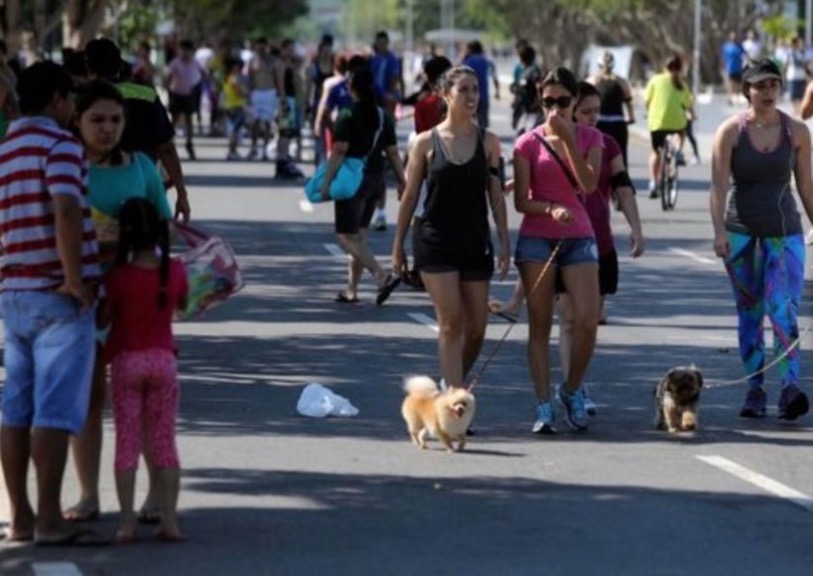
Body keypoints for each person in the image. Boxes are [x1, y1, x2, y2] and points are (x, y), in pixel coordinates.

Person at [61, 79, 175, 527]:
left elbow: (163, 229)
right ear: (77, 121)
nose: (107, 128)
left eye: (115, 120)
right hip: (81, 298)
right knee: (88, 399)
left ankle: (154, 496)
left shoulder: (142, 166)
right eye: (97, 120)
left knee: (144, 403)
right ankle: (88, 494)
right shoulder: (65, 165)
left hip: (135, 301)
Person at [0, 61, 103, 545]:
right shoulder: (60, 146)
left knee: (15, 408)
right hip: (55, 294)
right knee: (54, 411)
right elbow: (65, 207)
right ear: (59, 99)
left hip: (14, 291)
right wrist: (74, 277)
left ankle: (19, 518)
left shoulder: (5, 149)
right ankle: (47, 519)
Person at [392, 65, 510, 390]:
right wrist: (398, 244)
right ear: (445, 95)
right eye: (464, 90)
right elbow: (410, 195)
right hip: (435, 240)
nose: (472, 96)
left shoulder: (489, 142)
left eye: (475, 89)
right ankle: (455, 400)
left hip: (474, 240)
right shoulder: (424, 143)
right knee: (451, 322)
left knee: (477, 328)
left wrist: (504, 242)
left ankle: (449, 384)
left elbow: (496, 194)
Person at [710, 58, 812, 422]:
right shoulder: (730, 132)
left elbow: (806, 185)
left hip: (784, 233)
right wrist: (719, 232)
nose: (768, 92)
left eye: (773, 84)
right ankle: (755, 389)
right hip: (741, 234)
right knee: (750, 312)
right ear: (747, 90)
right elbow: (718, 187)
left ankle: (789, 388)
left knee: (782, 308)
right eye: (760, 86)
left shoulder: (796, 131)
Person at [512, 66, 603, 434]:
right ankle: (543, 403)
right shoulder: (527, 143)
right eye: (548, 101)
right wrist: (549, 208)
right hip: (537, 237)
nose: (555, 109)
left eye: (563, 101)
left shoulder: (591, 137)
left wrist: (566, 140)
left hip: (578, 235)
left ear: (575, 100)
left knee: (587, 320)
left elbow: (589, 184)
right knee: (540, 324)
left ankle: (572, 389)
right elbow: (521, 201)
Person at [555, 80, 644, 414]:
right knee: (568, 320)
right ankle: (573, 389)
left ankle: (574, 383)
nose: (593, 117)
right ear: (570, 110)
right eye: (585, 111)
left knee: (588, 323)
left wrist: (636, 227)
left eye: (596, 111)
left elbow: (622, 186)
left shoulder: (607, 144)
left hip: (599, 244)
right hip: (562, 242)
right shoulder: (552, 143)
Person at [104, 198, 188, 542]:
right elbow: (183, 305)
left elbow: (106, 318)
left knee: (128, 441)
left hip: (127, 361)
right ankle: (170, 520)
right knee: (164, 441)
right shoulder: (175, 271)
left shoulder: (119, 277)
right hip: (164, 361)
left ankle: (126, 522)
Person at [319, 67, 405, 304]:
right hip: (376, 181)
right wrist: (403, 181)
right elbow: (393, 153)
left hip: (353, 181)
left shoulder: (347, 113)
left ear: (351, 88)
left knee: (346, 237)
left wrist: (326, 182)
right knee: (359, 237)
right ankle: (351, 290)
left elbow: (339, 150)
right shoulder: (382, 116)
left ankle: (381, 275)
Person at [84, 37, 191, 222]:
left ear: (89, 68)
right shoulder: (146, 95)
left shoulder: (80, 99)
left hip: (92, 193)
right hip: (142, 189)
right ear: (120, 65)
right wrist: (182, 194)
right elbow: (166, 147)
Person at [644, 55, 691, 198]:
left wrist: (649, 112)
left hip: (657, 123)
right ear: (680, 69)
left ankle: (653, 183)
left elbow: (647, 100)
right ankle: (679, 151)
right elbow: (687, 104)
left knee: (655, 152)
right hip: (676, 122)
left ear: (665, 67)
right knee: (682, 131)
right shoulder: (682, 84)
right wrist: (691, 115)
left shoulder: (655, 80)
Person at [588, 51, 635, 167]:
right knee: (620, 156)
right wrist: (631, 118)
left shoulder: (592, 81)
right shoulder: (622, 82)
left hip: (598, 124)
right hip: (618, 124)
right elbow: (629, 102)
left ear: (599, 65)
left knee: (595, 156)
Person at [247, 37, 283, 162]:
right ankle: (254, 147)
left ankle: (265, 149)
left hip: (269, 92)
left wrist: (280, 95)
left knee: (267, 123)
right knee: (254, 122)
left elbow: (278, 79)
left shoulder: (273, 61)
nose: (261, 48)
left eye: (263, 46)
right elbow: (250, 78)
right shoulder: (252, 61)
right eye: (259, 46)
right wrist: (248, 95)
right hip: (256, 92)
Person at [166, 39, 204, 161]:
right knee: (174, 120)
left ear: (191, 51)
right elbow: (168, 78)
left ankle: (189, 143)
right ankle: (170, 144)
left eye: (187, 50)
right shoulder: (175, 63)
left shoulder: (195, 63)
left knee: (189, 120)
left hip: (189, 95)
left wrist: (197, 86)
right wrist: (169, 92)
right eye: (182, 50)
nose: (184, 53)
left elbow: (203, 74)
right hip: (176, 94)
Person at [461, 40, 500, 129]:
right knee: (483, 124)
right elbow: (494, 76)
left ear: (470, 50)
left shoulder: (468, 61)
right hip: (483, 96)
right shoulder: (487, 61)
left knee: (469, 122)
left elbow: (457, 74)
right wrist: (497, 91)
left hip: (469, 96)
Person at [222, 57, 249, 160]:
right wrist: (245, 93)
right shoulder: (233, 79)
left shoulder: (228, 77)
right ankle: (231, 152)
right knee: (235, 131)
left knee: (234, 131)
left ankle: (233, 151)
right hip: (235, 106)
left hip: (229, 106)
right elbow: (238, 92)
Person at [782, 36, 808, 115]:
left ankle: (799, 109)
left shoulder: (802, 53)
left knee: (801, 94)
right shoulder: (789, 53)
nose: (800, 44)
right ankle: (795, 108)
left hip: (801, 76)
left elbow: (805, 65)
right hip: (792, 76)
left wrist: (808, 74)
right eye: (798, 43)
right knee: (793, 95)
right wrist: (783, 73)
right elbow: (785, 64)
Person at [721, 31, 746, 107]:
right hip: (730, 68)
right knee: (730, 84)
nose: (734, 38)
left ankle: (737, 98)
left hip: (738, 68)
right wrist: (723, 67)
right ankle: (730, 98)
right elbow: (723, 58)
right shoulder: (727, 47)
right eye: (732, 36)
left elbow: (745, 55)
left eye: (735, 36)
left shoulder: (740, 46)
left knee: (738, 84)